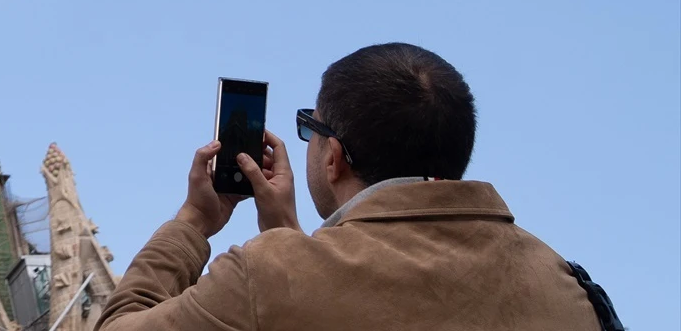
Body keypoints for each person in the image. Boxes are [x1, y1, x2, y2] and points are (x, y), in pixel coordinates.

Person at [95, 43, 612, 330]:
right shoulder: (566, 286)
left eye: (310, 128)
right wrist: (287, 239)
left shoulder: (262, 279)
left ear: (335, 157)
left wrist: (192, 222)